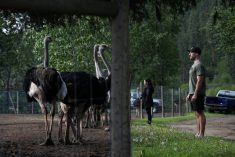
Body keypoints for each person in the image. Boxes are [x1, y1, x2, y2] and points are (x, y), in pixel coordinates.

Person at [186, 46, 206, 138]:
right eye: (189, 52)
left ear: (197, 54)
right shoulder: (194, 65)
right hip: (193, 93)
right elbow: (192, 81)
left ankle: (201, 134)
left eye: (191, 52)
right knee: (197, 113)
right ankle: (198, 133)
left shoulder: (199, 65)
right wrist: (189, 93)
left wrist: (195, 93)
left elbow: (199, 80)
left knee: (200, 112)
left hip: (198, 93)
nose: (189, 54)